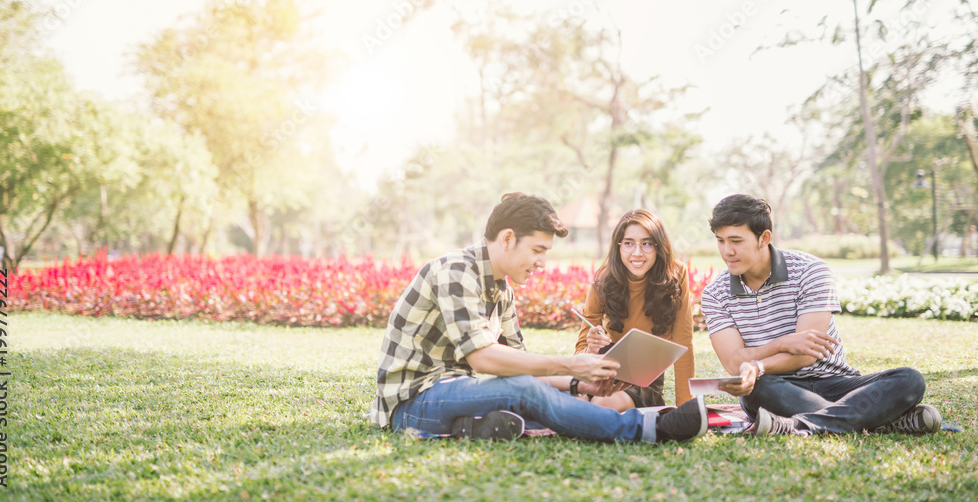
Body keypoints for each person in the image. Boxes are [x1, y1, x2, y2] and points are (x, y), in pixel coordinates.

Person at [368, 192, 707, 443]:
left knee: (545, 399)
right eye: (538, 250)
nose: (542, 263)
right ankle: (646, 429)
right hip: (415, 400)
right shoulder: (456, 271)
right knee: (527, 392)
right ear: (507, 239)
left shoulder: (503, 291)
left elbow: (523, 364)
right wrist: (571, 367)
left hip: (460, 391)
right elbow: (484, 358)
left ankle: (472, 429)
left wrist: (580, 385)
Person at [700, 194, 942, 437]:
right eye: (720, 241)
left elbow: (806, 355)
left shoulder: (810, 270)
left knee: (910, 380)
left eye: (736, 240)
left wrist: (757, 363)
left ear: (764, 238)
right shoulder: (715, 293)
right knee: (756, 389)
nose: (726, 251)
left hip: (836, 384)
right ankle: (880, 422)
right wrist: (782, 344)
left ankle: (794, 425)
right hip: (775, 387)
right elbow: (734, 363)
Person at [575, 209, 695, 410]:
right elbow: (579, 353)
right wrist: (591, 348)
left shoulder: (676, 273)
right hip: (604, 366)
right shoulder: (603, 281)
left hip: (642, 376)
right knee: (575, 405)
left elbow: (684, 342)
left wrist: (685, 407)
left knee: (602, 405)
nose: (637, 253)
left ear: (659, 246)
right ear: (618, 246)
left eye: (647, 243)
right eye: (629, 243)